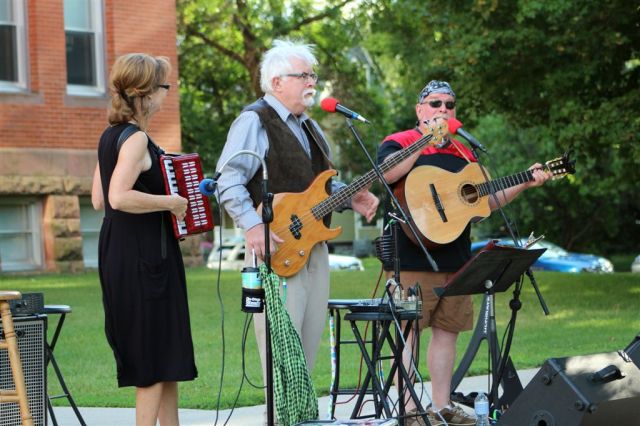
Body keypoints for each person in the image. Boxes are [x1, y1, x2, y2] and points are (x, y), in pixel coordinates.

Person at [378, 80, 552, 426]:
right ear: (420, 109)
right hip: (411, 254)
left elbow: (485, 200)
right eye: (435, 103)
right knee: (409, 334)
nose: (443, 109)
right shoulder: (399, 140)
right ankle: (409, 411)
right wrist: (426, 138)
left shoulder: (464, 152)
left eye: (449, 104)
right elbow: (386, 173)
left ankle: (442, 407)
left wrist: (524, 181)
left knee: (448, 331)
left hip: (456, 258)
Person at [215, 39, 379, 390]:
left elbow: (317, 188)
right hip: (275, 247)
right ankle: (279, 415)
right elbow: (227, 180)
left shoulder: (310, 127)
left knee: (306, 351)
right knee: (282, 355)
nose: (312, 82)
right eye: (303, 76)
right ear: (276, 82)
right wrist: (253, 226)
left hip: (315, 246)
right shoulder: (254, 120)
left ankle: (300, 413)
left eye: (313, 76)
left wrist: (350, 198)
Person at [91, 53, 197, 426]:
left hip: (124, 253)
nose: (168, 93)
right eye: (164, 86)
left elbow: (98, 199)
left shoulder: (110, 135)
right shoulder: (135, 139)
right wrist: (171, 202)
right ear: (145, 93)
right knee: (152, 360)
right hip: (145, 259)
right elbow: (117, 197)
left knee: (166, 358)